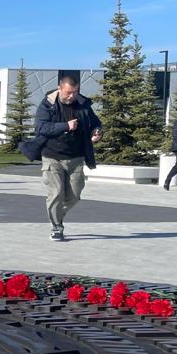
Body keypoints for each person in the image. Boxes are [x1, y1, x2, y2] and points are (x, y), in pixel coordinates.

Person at [28, 74, 102, 242]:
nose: (71, 96)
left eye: (75, 92)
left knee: (75, 194)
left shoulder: (83, 104)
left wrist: (97, 132)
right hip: (52, 157)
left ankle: (57, 214)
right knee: (56, 193)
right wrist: (65, 126)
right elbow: (40, 127)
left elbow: (95, 123)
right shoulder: (48, 104)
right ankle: (56, 227)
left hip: (76, 158)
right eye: (68, 92)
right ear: (59, 88)